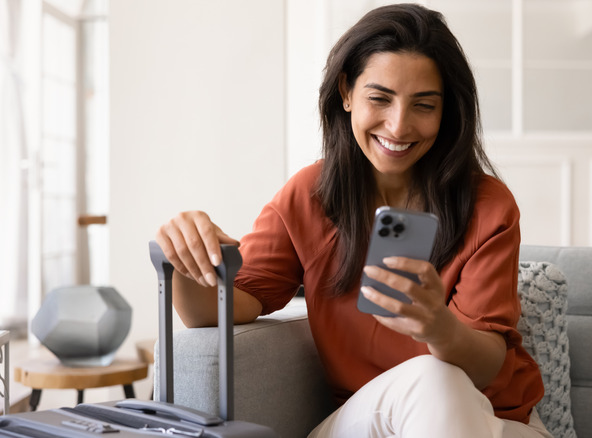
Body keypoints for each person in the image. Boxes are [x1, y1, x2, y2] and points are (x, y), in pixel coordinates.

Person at [155, 4, 552, 437]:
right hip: (369, 423)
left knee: (444, 376)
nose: (399, 126)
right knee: (434, 376)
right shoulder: (309, 195)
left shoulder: (488, 205)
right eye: (379, 98)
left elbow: (487, 364)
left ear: (447, 111)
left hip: (497, 422)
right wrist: (181, 256)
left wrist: (441, 328)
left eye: (423, 105)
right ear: (346, 92)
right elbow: (217, 310)